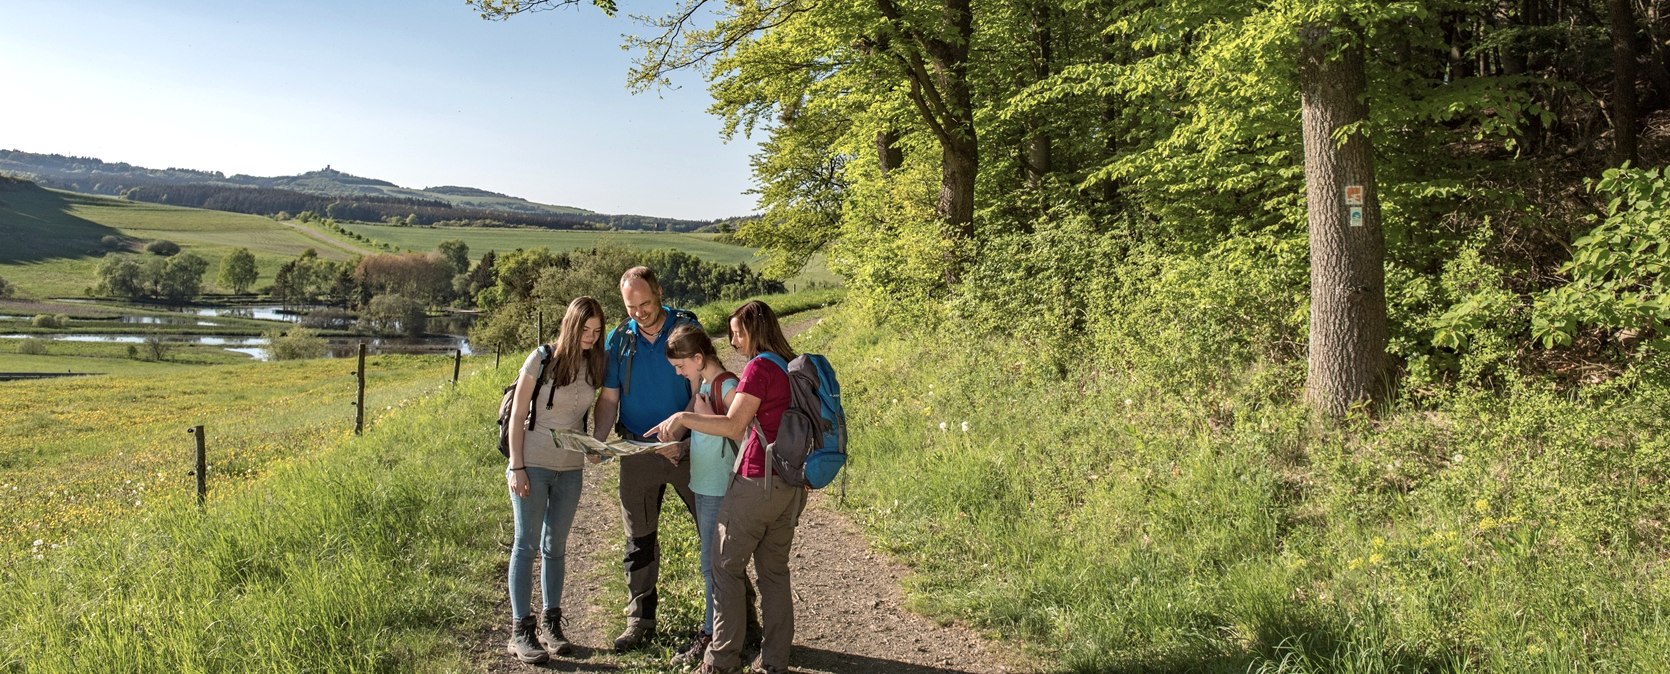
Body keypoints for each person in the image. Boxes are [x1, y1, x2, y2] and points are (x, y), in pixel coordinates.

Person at [651, 300, 803, 674]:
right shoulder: (789, 366)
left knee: (723, 568)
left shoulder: (759, 369)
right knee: (774, 575)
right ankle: (774, 663)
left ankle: (720, 663)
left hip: (756, 481)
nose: (733, 342)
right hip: (789, 484)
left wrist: (684, 416)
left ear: (756, 331)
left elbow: (734, 427)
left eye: (738, 332)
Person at [592, 266, 702, 652]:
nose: (640, 311)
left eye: (646, 302)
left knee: (716, 533)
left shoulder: (685, 328)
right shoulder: (619, 339)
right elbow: (609, 399)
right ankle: (640, 619)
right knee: (638, 538)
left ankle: (736, 617)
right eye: (631, 305)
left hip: (687, 452)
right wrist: (598, 440)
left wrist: (682, 434)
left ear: (659, 291)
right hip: (637, 450)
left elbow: (701, 388)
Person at [504, 296, 607, 664]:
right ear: (570, 325)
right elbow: (517, 418)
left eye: (597, 332)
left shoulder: (594, 363)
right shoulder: (541, 358)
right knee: (526, 544)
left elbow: (593, 413)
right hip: (532, 464)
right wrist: (517, 467)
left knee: (556, 546)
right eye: (585, 330)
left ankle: (551, 624)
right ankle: (520, 630)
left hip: (570, 468)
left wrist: (596, 445)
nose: (591, 337)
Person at [662, 323, 742, 666]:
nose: (680, 373)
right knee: (711, 565)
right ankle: (717, 632)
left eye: (681, 366)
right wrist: (682, 446)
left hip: (718, 488)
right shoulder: (707, 383)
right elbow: (710, 438)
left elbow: (740, 438)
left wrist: (697, 418)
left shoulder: (727, 385)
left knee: (713, 568)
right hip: (705, 484)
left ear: (698, 357)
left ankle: (714, 637)